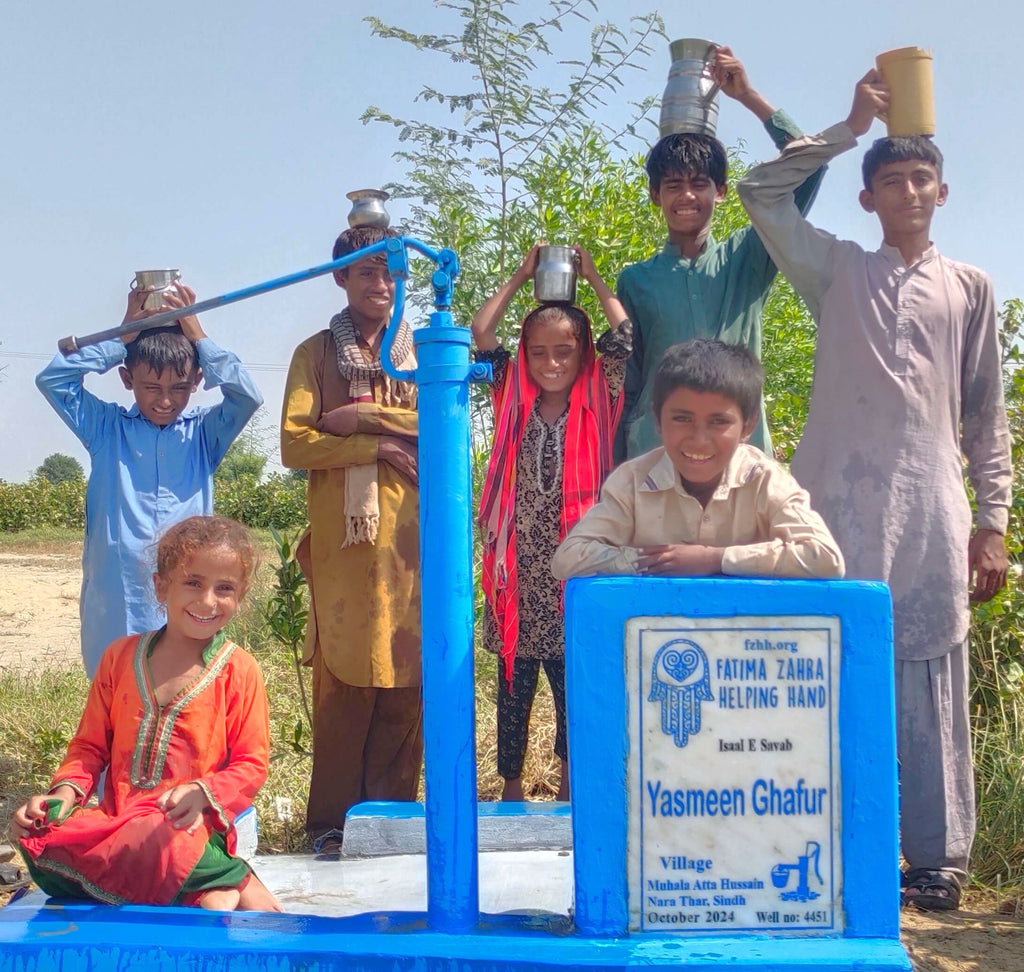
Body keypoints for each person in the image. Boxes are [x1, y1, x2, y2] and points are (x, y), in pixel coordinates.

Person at [736, 72, 1012, 912]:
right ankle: (822, 842)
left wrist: (993, 523)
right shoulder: (837, 271)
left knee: (930, 676)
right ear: (867, 197)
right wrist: (855, 122)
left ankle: (935, 860)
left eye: (920, 178)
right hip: (835, 509)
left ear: (943, 190)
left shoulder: (970, 287)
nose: (908, 191)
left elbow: (985, 412)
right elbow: (759, 190)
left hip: (933, 510)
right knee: (823, 667)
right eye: (891, 180)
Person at [13, 516, 280, 912]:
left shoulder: (238, 670)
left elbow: (250, 764)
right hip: (116, 822)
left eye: (224, 589)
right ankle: (204, 889)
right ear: (160, 586)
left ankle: (217, 887)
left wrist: (201, 794)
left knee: (164, 835)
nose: (208, 601)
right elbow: (88, 747)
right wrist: (64, 795)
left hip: (183, 827)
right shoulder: (119, 658)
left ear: (240, 596)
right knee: (39, 829)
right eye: (193, 582)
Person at [35, 281, 263, 678]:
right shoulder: (106, 428)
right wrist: (121, 336)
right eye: (151, 387)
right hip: (116, 597)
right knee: (116, 692)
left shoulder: (204, 435)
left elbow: (247, 396)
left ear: (196, 383)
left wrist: (196, 332)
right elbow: (53, 380)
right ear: (127, 379)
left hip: (188, 591)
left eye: (178, 388)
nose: (165, 400)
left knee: (184, 691)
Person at [281, 225, 421, 853]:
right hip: (345, 548)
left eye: (390, 270)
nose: (380, 283)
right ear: (341, 277)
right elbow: (295, 442)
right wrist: (381, 446)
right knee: (347, 684)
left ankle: (390, 831)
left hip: (412, 545)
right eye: (366, 270)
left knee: (406, 682)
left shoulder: (422, 354)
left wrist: (363, 417)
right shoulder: (315, 354)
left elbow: (439, 425)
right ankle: (330, 832)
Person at [474, 244, 633, 800]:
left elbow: (625, 335)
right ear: (526, 356)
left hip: (577, 565)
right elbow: (482, 332)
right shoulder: (512, 396)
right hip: (518, 569)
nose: (551, 363)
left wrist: (589, 276)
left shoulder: (598, 395)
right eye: (538, 352)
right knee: (514, 686)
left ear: (582, 352)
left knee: (573, 685)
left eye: (564, 351)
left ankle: (570, 795)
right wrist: (521, 275)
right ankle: (512, 794)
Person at [616, 46, 824, 462]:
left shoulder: (747, 257)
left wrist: (748, 97)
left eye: (699, 183)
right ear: (656, 195)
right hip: (658, 460)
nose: (687, 196)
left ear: (722, 191)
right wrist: (622, 472)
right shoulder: (636, 281)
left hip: (740, 460)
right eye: (673, 185)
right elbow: (630, 381)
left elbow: (811, 166)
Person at [552, 339, 844, 581]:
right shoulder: (632, 481)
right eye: (682, 419)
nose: (699, 439)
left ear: (748, 426)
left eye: (719, 422)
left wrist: (717, 559)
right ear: (657, 419)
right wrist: (660, 560)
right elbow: (569, 558)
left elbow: (825, 557)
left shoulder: (765, 480)